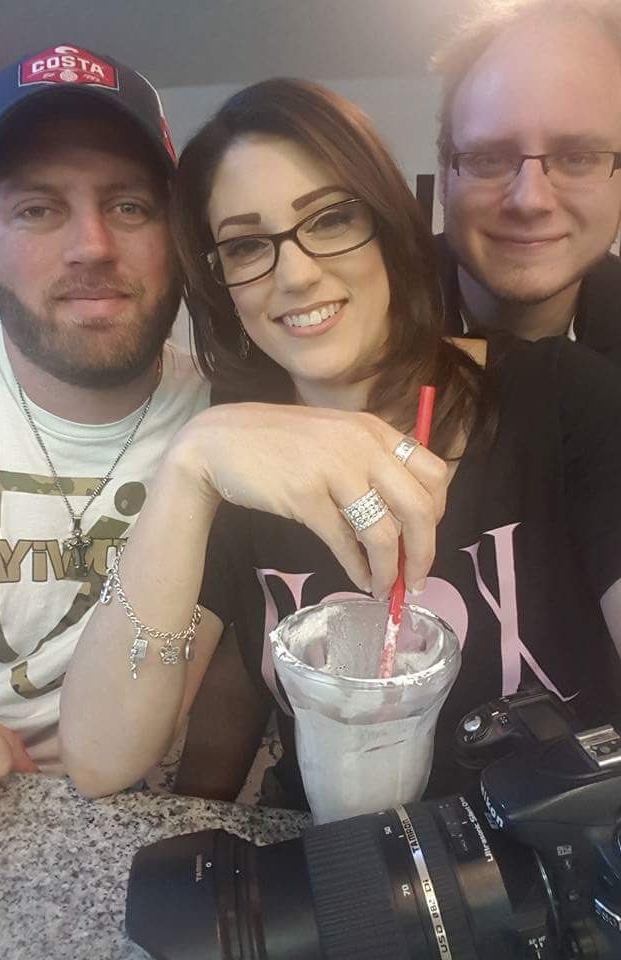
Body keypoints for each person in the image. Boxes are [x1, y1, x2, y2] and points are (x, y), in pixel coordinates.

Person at [60, 78, 621, 811]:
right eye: (246, 245)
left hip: (549, 862)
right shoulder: (237, 459)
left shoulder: (563, 400)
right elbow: (101, 757)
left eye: (329, 219)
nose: (295, 275)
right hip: (330, 859)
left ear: (387, 224)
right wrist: (190, 465)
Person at [0, 44, 209, 849]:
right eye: (38, 210)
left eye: (130, 206)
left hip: (166, 821)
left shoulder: (227, 416)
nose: (93, 246)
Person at [431, 0, 621, 362]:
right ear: (443, 177)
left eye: (578, 158)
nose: (530, 200)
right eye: (488, 159)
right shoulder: (353, 325)